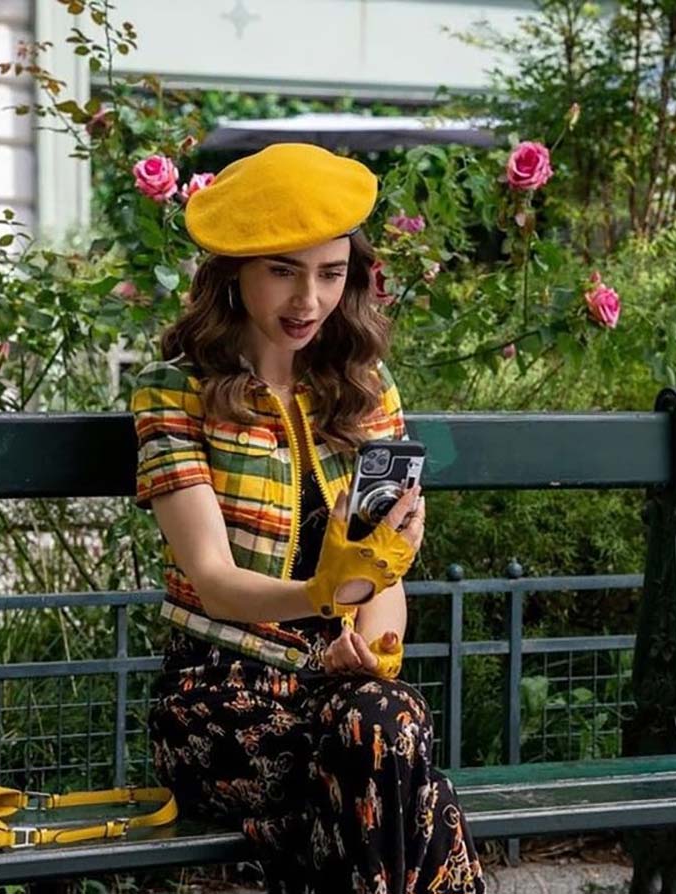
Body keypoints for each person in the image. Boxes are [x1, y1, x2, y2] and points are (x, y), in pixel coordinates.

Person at [130, 143, 486, 894]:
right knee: (395, 768)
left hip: (342, 692)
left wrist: (375, 643)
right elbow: (215, 583)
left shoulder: (363, 388)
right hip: (219, 695)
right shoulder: (175, 392)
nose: (309, 302)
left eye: (330, 273)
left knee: (379, 725)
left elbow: (386, 567)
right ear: (234, 272)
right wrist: (325, 596)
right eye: (283, 272)